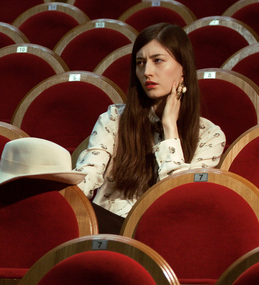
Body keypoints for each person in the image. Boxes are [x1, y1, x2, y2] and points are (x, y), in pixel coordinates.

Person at [75, 22, 226, 218]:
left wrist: (169, 126)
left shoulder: (210, 135)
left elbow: (181, 196)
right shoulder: (114, 119)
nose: (147, 71)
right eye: (140, 63)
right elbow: (89, 172)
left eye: (158, 60)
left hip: (164, 226)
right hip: (108, 224)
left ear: (183, 69)